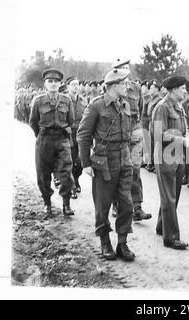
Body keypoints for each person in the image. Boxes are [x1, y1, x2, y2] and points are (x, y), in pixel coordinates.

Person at [77, 67, 135, 261]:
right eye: (124, 84)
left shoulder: (125, 105)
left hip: (124, 159)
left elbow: (129, 132)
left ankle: (122, 242)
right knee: (103, 205)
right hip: (104, 161)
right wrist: (86, 163)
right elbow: (83, 135)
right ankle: (104, 242)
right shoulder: (96, 106)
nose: (127, 86)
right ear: (113, 86)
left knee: (127, 204)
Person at [152, 75, 189, 250]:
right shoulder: (162, 107)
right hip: (166, 156)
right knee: (169, 197)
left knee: (173, 195)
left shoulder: (179, 107)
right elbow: (159, 134)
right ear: (174, 89)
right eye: (183, 88)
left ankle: (162, 226)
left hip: (178, 156)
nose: (185, 91)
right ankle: (171, 237)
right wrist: (182, 140)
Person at [29, 68, 75, 217]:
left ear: (61, 83)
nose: (53, 84)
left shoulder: (66, 100)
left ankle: (66, 205)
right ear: (45, 84)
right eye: (50, 81)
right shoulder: (38, 101)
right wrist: (42, 135)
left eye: (56, 81)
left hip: (62, 139)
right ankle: (47, 204)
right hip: (44, 140)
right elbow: (33, 122)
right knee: (43, 174)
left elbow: (71, 121)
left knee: (66, 173)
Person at [111, 58, 152, 222]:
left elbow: (140, 110)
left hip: (133, 133)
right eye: (121, 68)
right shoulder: (111, 88)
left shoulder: (136, 88)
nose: (125, 71)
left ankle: (137, 207)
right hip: (118, 134)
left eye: (127, 68)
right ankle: (116, 204)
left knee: (135, 170)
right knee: (118, 170)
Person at [66, 76, 88, 199]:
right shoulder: (64, 100)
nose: (76, 87)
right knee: (70, 161)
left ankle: (76, 179)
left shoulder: (84, 101)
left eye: (77, 84)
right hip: (68, 135)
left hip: (81, 135)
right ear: (68, 86)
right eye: (73, 84)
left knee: (80, 163)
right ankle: (72, 187)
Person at [146, 79, 162, 173]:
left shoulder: (159, 100)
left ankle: (158, 166)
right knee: (151, 145)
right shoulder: (150, 100)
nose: (151, 90)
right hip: (150, 124)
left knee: (157, 145)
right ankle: (152, 163)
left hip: (157, 124)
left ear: (158, 90)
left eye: (154, 88)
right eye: (150, 88)